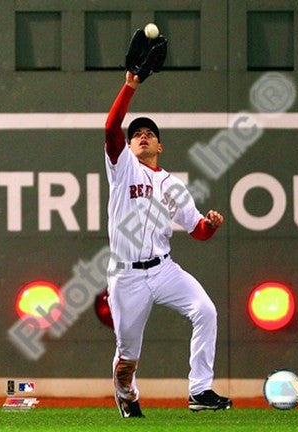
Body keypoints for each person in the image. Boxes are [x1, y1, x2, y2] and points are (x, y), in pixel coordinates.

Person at [104, 71, 232, 418]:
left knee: (205, 310)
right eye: (137, 135)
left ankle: (200, 390)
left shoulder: (173, 185)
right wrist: (130, 86)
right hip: (126, 276)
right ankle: (127, 395)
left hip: (163, 269)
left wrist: (211, 224)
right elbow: (111, 126)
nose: (142, 137)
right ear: (129, 147)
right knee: (127, 358)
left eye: (150, 134)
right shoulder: (122, 168)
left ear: (160, 146)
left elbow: (197, 230)